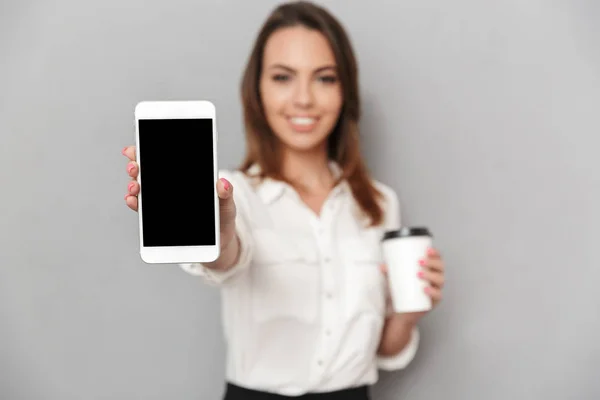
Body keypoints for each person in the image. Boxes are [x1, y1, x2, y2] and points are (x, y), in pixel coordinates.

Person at [122, 1, 445, 399]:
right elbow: (227, 260)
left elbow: (379, 350)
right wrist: (219, 229)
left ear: (345, 90)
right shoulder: (230, 192)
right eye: (282, 77)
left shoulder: (379, 203)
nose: (304, 99)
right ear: (257, 90)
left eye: (325, 78)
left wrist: (409, 316)